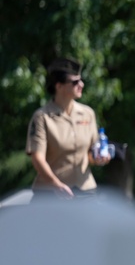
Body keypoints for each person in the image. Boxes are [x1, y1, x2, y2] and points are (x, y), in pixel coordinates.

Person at [26, 57, 112, 200]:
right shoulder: (42, 117)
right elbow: (37, 158)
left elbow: (90, 154)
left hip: (85, 191)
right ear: (58, 86)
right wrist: (56, 184)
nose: (82, 84)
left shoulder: (87, 114)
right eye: (75, 82)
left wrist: (99, 158)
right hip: (51, 194)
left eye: (81, 80)